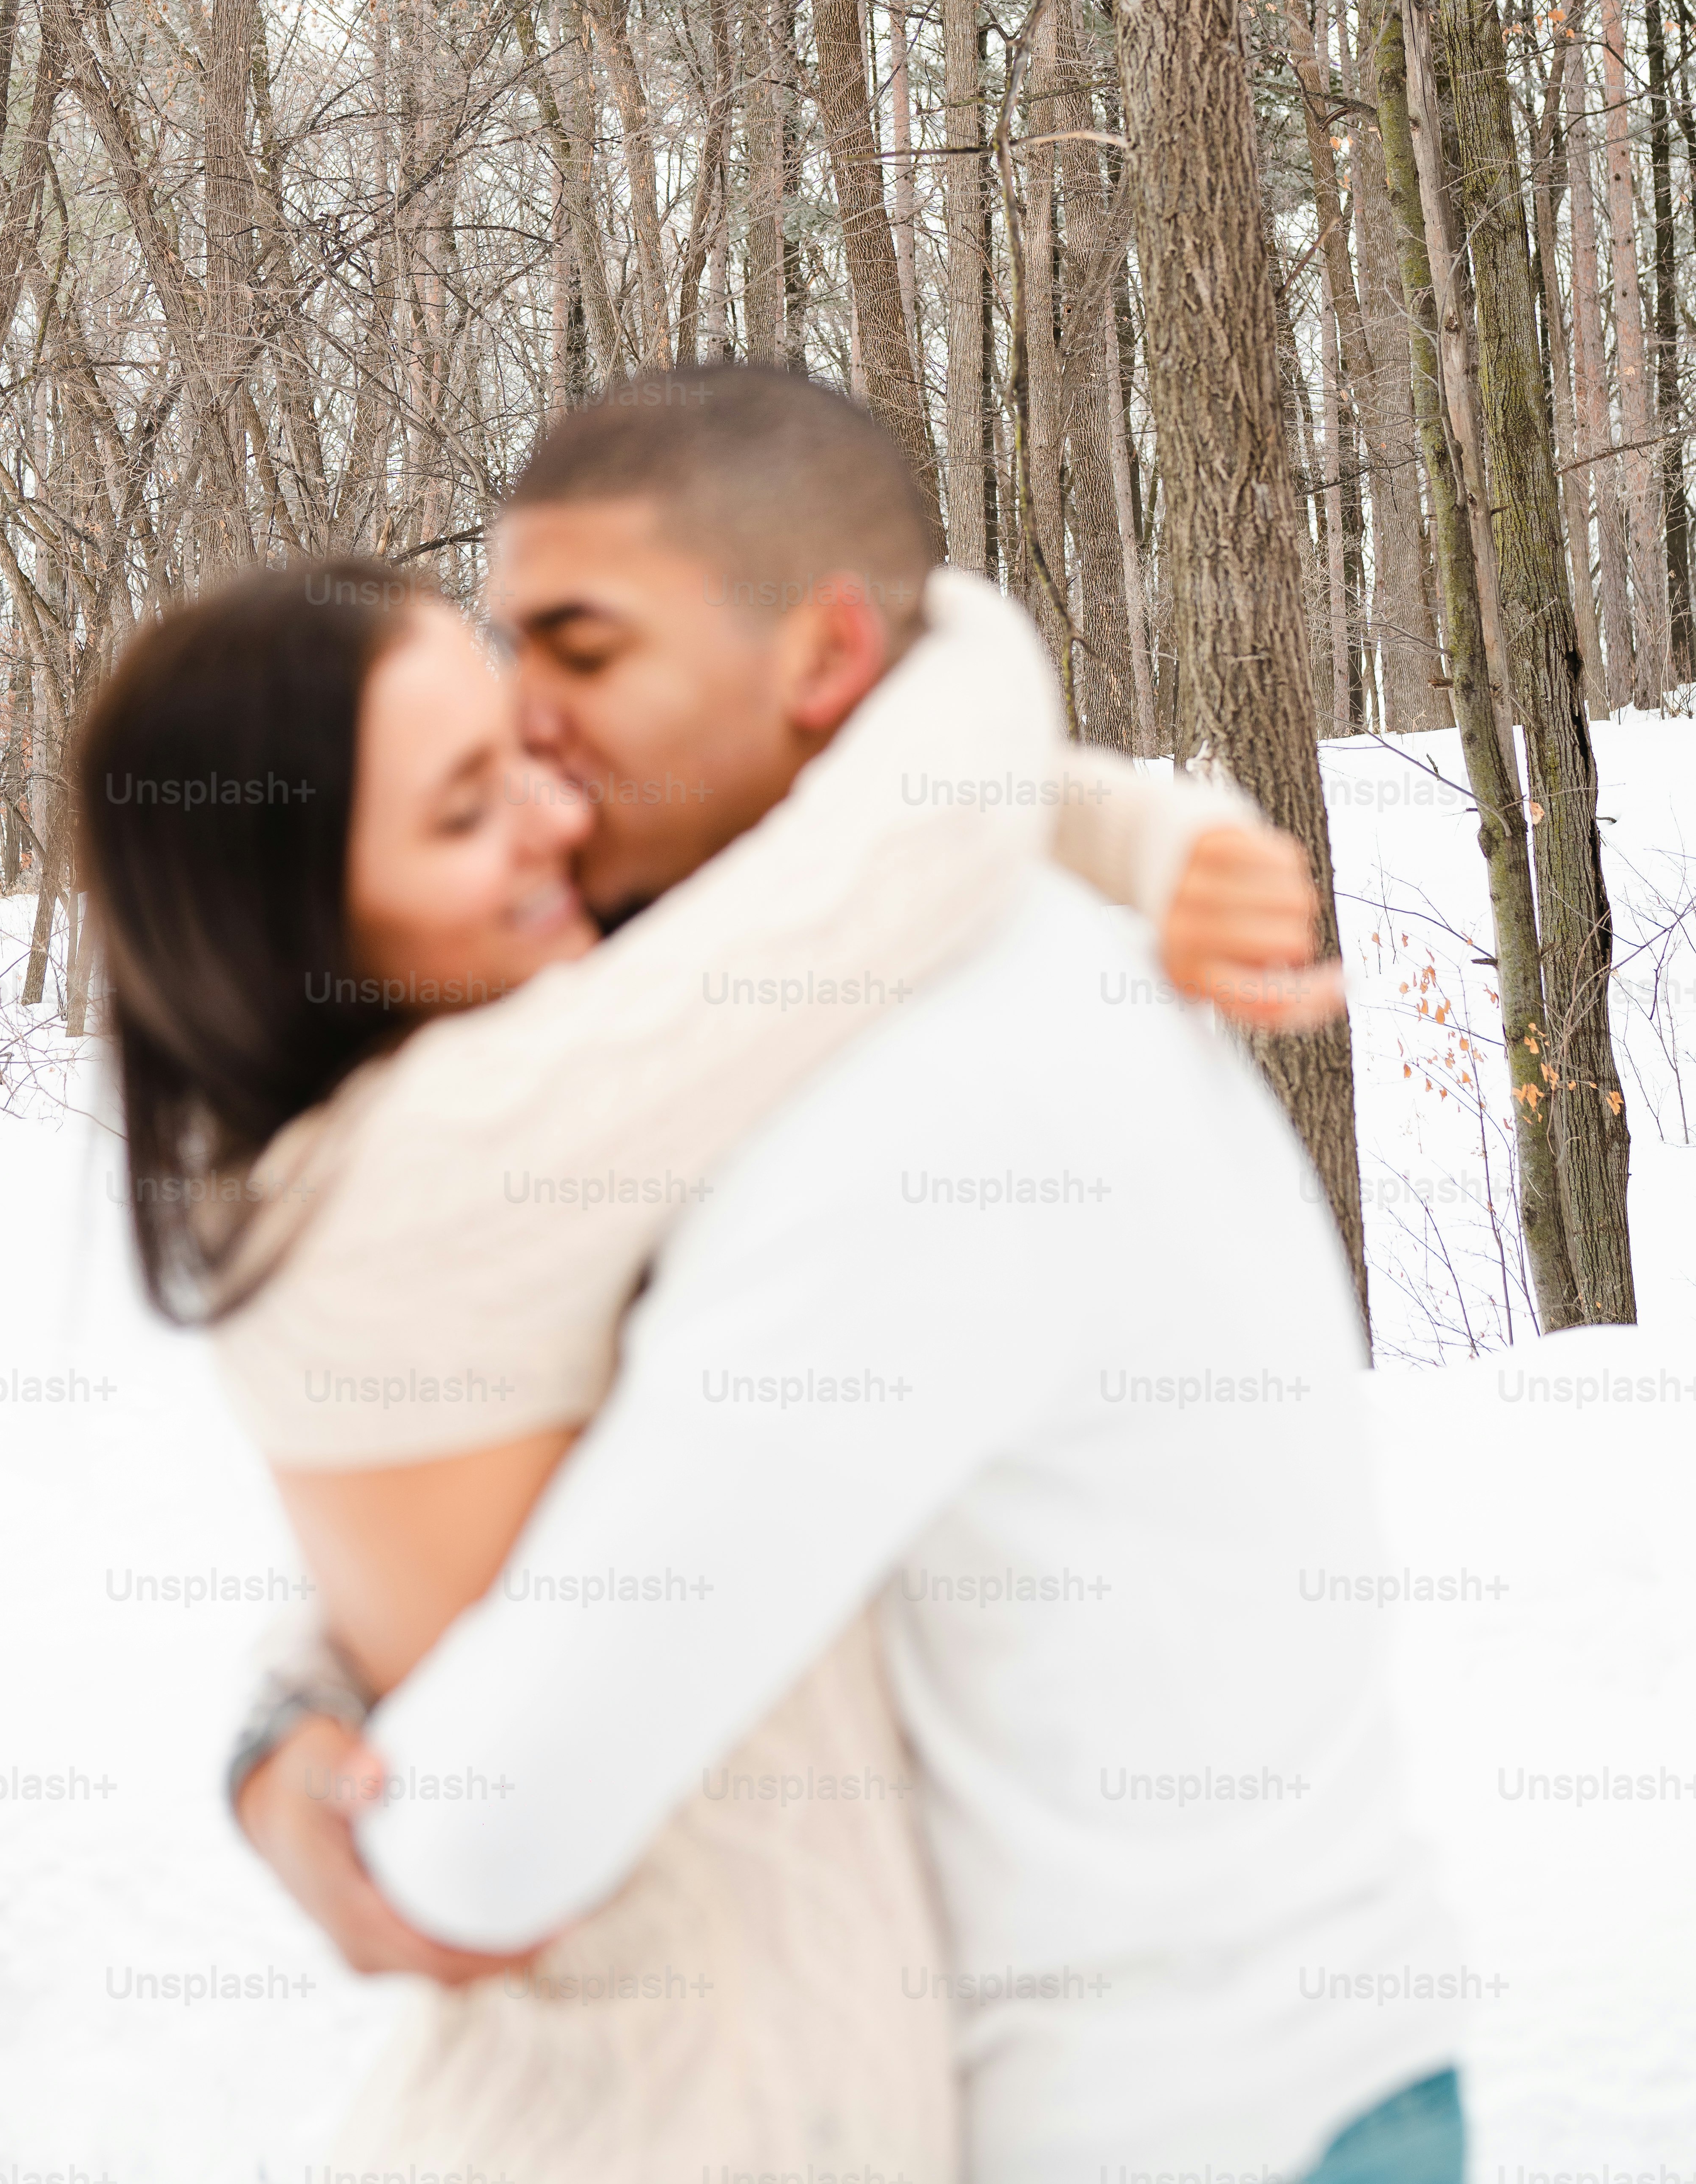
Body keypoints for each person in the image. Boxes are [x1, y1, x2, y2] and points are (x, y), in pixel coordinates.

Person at [73, 368, 1346, 2178]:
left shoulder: (444, 1123)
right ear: (302, 927)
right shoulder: (469, 1134)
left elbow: (524, 1535)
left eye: (531, 729)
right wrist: (957, 636)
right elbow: (884, 852)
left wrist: (296, 1713)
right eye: (461, 810)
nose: (552, 807)